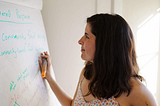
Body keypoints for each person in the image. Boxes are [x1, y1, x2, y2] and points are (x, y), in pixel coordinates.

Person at [39, 13, 157, 106]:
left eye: (87, 36)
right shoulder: (87, 73)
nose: (80, 41)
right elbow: (72, 105)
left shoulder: (136, 91)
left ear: (105, 44)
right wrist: (49, 78)